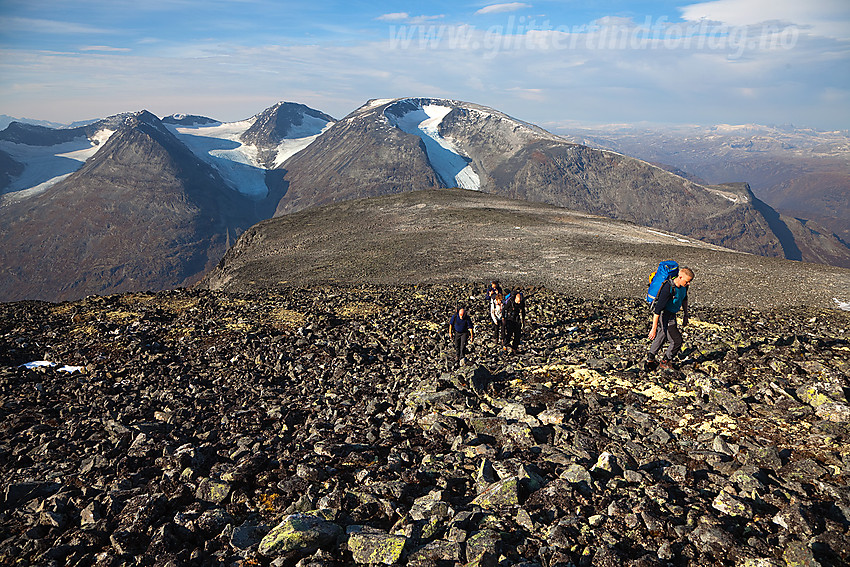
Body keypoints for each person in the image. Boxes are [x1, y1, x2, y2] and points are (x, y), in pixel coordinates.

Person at [647, 266, 694, 370]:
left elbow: (684, 298)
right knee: (676, 341)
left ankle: (650, 360)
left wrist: (686, 315)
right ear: (680, 277)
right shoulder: (668, 288)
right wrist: (653, 328)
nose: (688, 284)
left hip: (672, 314)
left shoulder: (684, 286)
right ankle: (665, 361)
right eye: (687, 281)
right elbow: (657, 310)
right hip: (664, 315)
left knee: (662, 335)